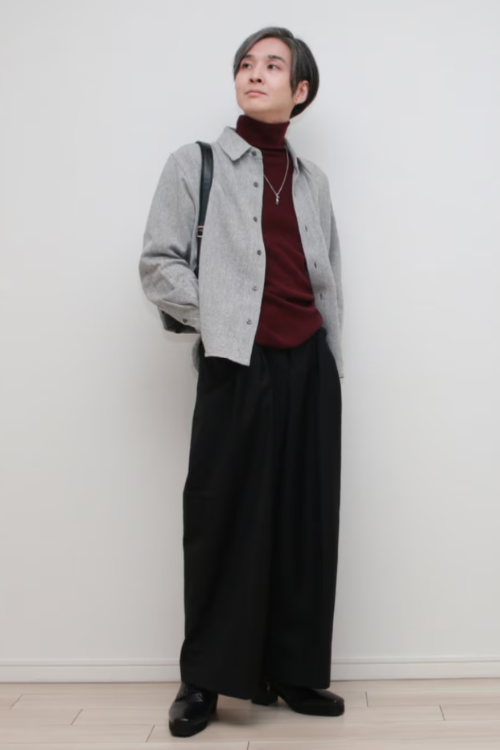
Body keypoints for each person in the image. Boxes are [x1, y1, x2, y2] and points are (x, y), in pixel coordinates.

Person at [139, 26, 345, 738]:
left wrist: (332, 362)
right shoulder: (195, 164)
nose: (255, 74)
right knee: (223, 519)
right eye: (246, 64)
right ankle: (204, 680)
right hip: (236, 362)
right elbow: (159, 264)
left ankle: (293, 671)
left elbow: (328, 278)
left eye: (273, 66)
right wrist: (227, 322)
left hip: (309, 363)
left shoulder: (314, 182)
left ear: (300, 90)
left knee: (304, 520)